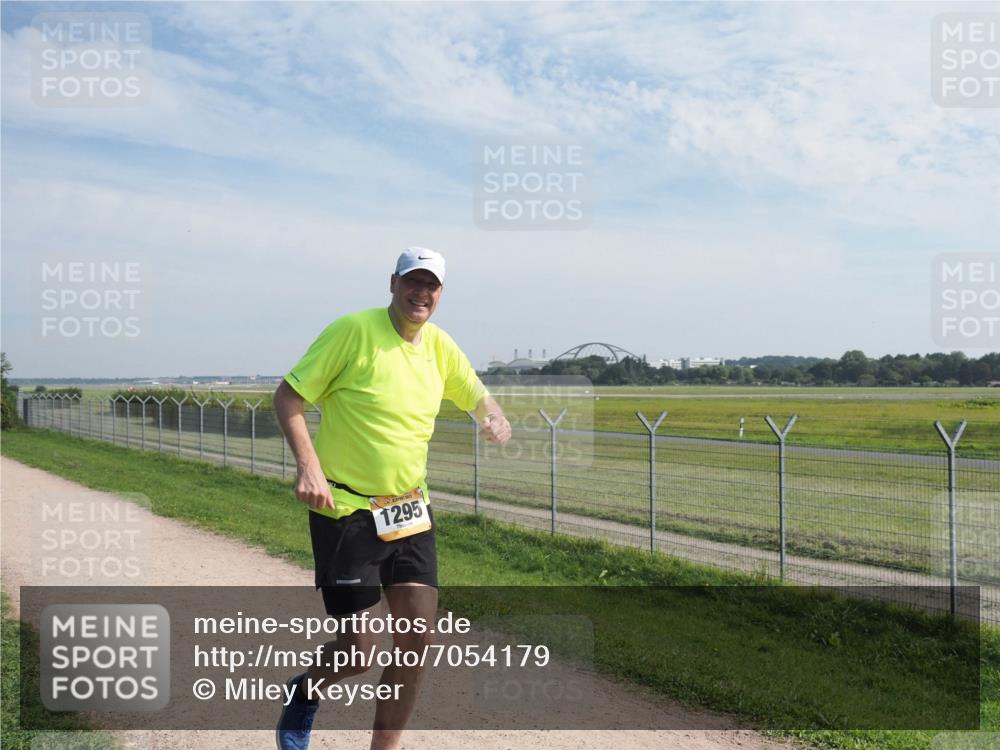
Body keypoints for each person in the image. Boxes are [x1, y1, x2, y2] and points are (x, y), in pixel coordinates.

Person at [273, 247, 511, 750]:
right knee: (360, 650)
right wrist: (308, 466)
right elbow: (288, 396)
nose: (420, 293)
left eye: (431, 285)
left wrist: (494, 415)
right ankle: (308, 688)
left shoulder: (440, 347)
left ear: (440, 293)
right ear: (393, 283)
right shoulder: (352, 332)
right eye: (412, 281)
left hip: (410, 512)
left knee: (417, 640)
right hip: (347, 512)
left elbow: (475, 394)